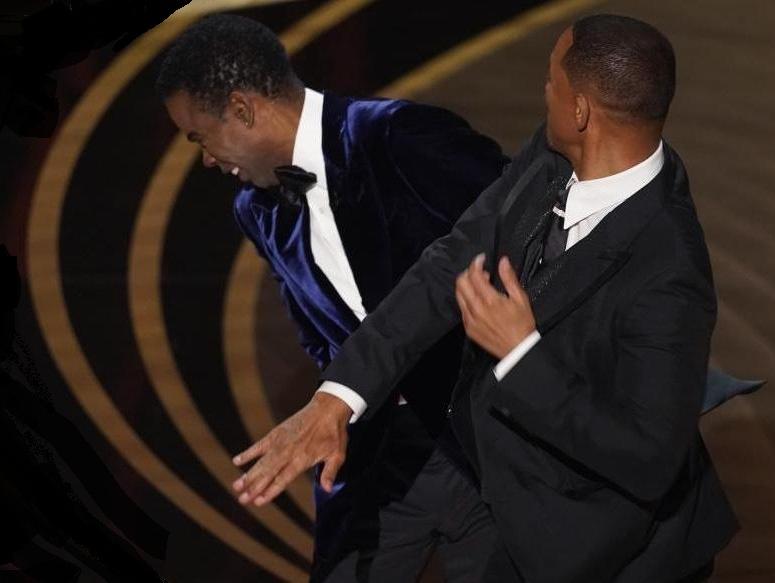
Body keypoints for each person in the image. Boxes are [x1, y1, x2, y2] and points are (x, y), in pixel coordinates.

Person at [232, 15, 742, 582]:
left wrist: (521, 353)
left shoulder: (670, 270)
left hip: (615, 557)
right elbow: (448, 263)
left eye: (552, 81)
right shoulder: (554, 156)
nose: (542, 91)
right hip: (515, 513)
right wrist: (337, 398)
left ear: (581, 112)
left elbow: (646, 459)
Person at [156, 14, 509, 582]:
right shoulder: (255, 210)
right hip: (375, 456)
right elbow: (316, 331)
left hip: (487, 446)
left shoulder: (398, 135)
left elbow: (529, 236)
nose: (206, 160)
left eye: (199, 137)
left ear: (243, 110)